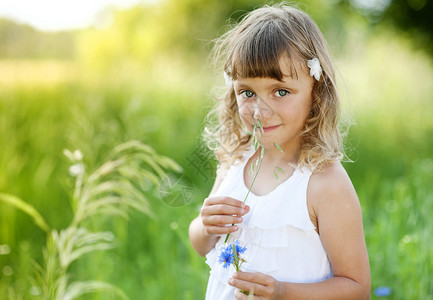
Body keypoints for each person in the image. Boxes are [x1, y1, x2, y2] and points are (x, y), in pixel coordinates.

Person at [189, 3, 370, 299]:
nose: (261, 110)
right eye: (247, 92)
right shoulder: (236, 159)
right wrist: (204, 226)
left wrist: (284, 292)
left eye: (280, 91)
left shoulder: (324, 183)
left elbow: (357, 287)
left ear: (316, 91)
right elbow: (202, 245)